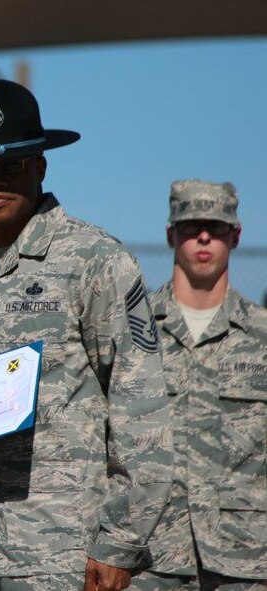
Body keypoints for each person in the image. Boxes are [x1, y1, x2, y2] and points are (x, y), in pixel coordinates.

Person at [0, 79, 174, 591]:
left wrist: (119, 543)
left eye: (11, 164)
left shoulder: (96, 261)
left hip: (59, 555)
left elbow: (141, 411)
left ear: (40, 165)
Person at [129, 180, 267, 591]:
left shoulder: (261, 335)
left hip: (243, 559)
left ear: (235, 236)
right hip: (149, 557)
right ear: (171, 234)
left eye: (216, 227)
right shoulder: (132, 330)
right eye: (190, 227)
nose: (203, 237)